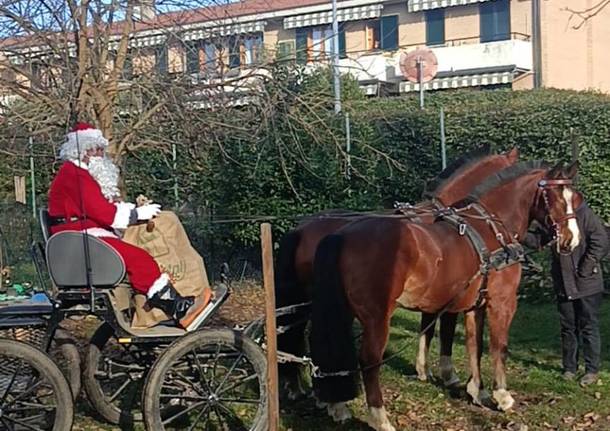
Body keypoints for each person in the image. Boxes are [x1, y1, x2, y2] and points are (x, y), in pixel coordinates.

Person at [47, 122, 210, 330]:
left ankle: (169, 307)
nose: (100, 154)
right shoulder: (76, 176)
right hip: (79, 239)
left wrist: (135, 212)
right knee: (138, 259)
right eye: (95, 149)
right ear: (82, 151)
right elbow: (103, 212)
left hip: (83, 235)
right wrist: (135, 214)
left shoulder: (81, 174)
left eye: (100, 149)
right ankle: (178, 309)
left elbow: (105, 208)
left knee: (137, 257)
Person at [525, 193, 608, 386]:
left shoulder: (586, 215)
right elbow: (538, 241)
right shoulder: (554, 220)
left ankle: (591, 369)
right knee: (568, 327)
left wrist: (586, 268)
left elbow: (600, 241)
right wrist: (518, 233)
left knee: (588, 326)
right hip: (563, 283)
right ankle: (569, 368)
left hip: (587, 283)